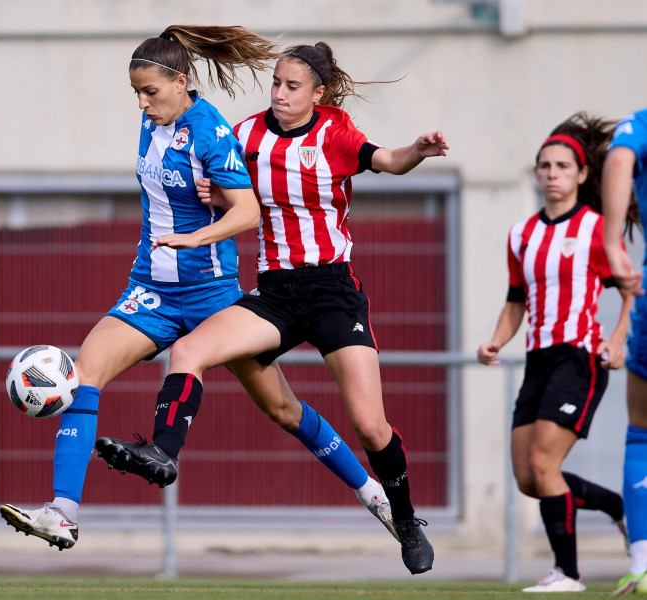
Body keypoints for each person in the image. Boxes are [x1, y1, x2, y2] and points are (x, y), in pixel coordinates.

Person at [0, 26, 398, 553]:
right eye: (136, 94)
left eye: (151, 93)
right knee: (83, 375)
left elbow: (248, 212)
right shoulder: (154, 124)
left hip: (213, 296)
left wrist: (195, 237)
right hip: (151, 290)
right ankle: (62, 512)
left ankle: (375, 495)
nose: (142, 105)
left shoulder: (211, 131)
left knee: (284, 410)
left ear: (180, 82)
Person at [96, 41, 448, 575]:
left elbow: (391, 162)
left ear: (318, 94)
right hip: (275, 292)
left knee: (371, 427)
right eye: (276, 84)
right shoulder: (246, 134)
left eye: (292, 87)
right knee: (189, 350)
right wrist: (207, 193)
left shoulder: (336, 134)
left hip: (332, 291)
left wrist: (418, 150)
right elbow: (224, 184)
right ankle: (164, 454)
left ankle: (403, 520)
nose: (280, 95)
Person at [478, 113, 634, 593]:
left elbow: (631, 289)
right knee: (529, 477)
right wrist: (496, 340)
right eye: (544, 165)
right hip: (539, 360)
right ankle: (619, 507)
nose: (552, 173)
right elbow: (516, 300)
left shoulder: (595, 229)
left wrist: (619, 339)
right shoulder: (521, 234)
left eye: (563, 165)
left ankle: (567, 574)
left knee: (545, 464)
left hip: (580, 357)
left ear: (583, 174)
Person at [602, 106, 647, 596]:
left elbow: (619, 161)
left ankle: (643, 563)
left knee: (642, 435)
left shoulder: (640, 123)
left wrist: (614, 242)